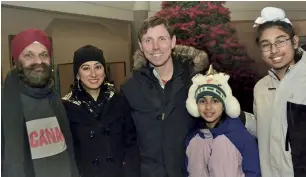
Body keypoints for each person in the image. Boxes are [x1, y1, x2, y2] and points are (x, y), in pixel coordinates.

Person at [1, 29, 79, 177]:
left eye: (44, 55)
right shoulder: (4, 104)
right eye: (29, 55)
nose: (38, 62)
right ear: (16, 61)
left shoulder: (56, 99)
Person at [62, 45, 139, 177]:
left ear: (104, 70)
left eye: (98, 67)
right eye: (86, 68)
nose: (93, 74)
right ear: (77, 74)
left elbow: (131, 142)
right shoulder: (66, 106)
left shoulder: (119, 100)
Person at [251, 7, 306, 177]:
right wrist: (237, 115)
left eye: (281, 41)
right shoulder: (261, 88)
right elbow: (263, 129)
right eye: (266, 45)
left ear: (295, 42)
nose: (274, 51)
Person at [185, 65, 261, 177]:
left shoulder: (241, 137)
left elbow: (253, 173)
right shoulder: (192, 139)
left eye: (215, 101)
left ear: (224, 105)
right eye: (202, 101)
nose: (208, 107)